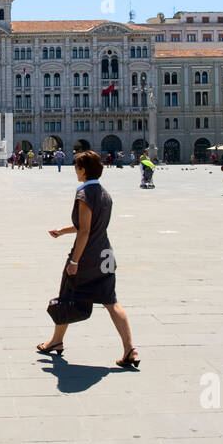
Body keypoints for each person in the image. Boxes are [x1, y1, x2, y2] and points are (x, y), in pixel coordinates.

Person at [36, 150, 138, 369]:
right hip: (106, 254)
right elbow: (89, 226)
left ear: (83, 170)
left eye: (76, 167)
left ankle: (56, 340)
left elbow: (84, 232)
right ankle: (129, 349)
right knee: (111, 301)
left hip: (87, 256)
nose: (75, 170)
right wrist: (61, 231)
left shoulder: (84, 194)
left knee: (66, 295)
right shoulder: (105, 194)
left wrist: (74, 261)